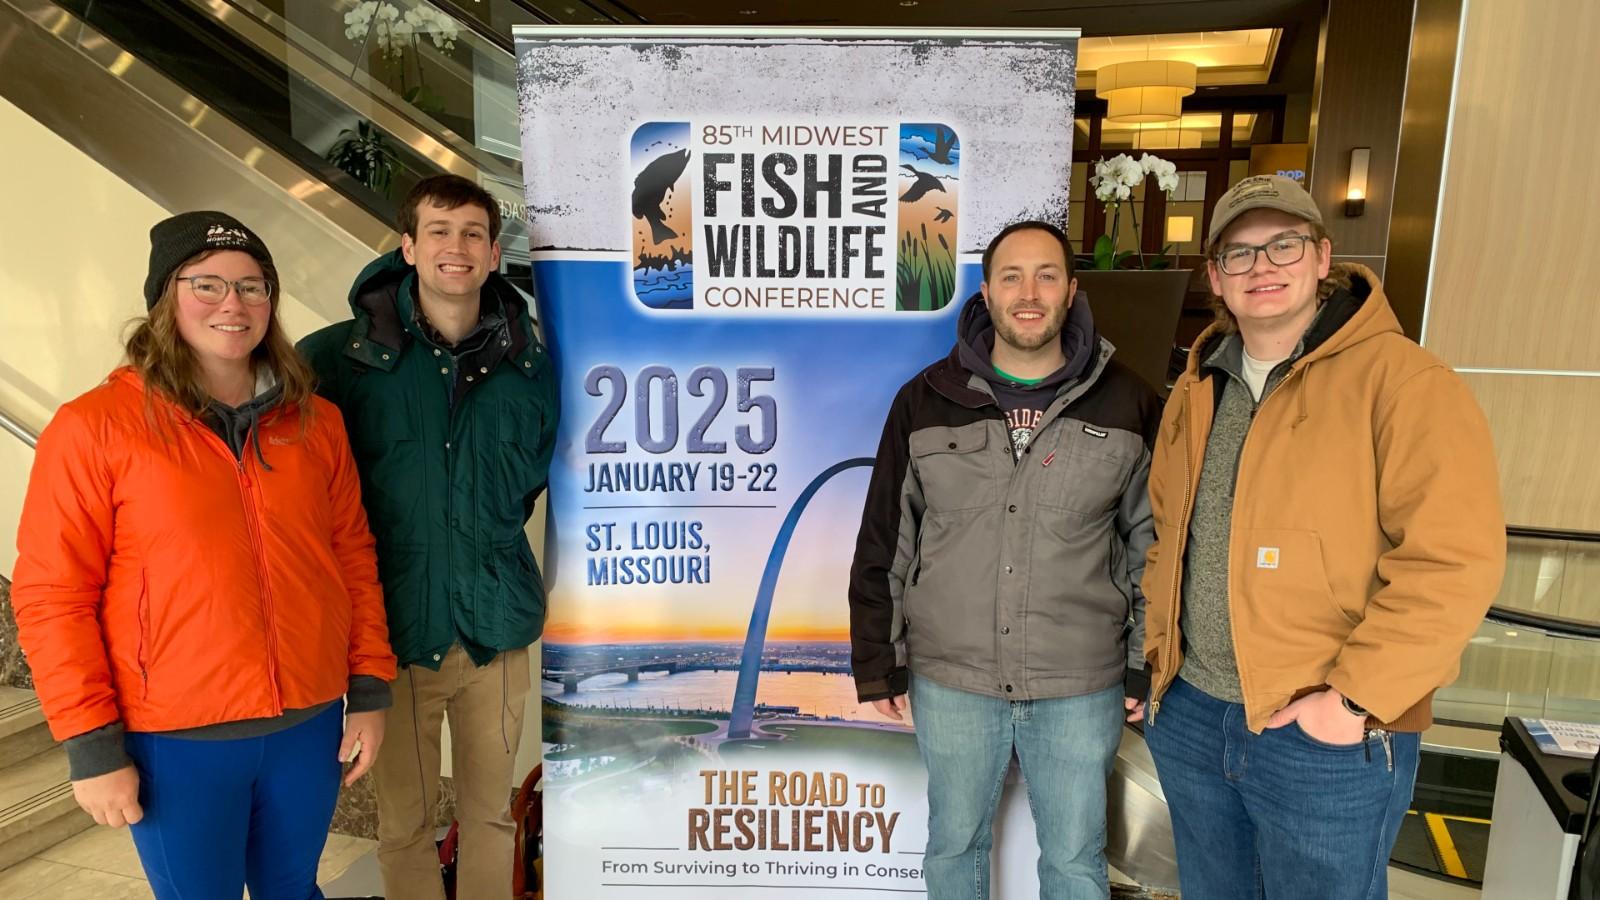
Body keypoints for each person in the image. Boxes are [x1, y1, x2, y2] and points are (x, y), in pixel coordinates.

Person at [1138, 175, 1507, 899]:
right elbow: (1164, 537)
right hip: (1193, 714)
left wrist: (1350, 702)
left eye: (1284, 244)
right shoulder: (1196, 387)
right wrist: (1159, 671)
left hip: (1324, 734)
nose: (1263, 266)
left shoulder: (1404, 382)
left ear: (1321, 258)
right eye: (1239, 254)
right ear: (1216, 276)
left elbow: (1454, 561)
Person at [11, 211, 397, 900]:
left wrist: (367, 687)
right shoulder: (94, 428)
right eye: (207, 284)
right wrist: (92, 744)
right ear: (166, 297)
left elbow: (351, 557)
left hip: (306, 726)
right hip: (176, 740)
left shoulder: (315, 422)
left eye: (253, 287)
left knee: (294, 891)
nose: (233, 304)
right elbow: (51, 596)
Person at [849, 221, 1161, 900]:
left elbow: (1153, 550)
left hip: (1080, 682)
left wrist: (1146, 663)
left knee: (1077, 860)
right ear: (986, 292)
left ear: (1071, 291)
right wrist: (878, 662)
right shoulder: (924, 400)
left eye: (1047, 275)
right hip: (951, 679)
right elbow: (885, 539)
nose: (1029, 292)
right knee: (954, 847)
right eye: (1012, 277)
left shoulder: (1131, 401)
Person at [298, 174, 559, 900]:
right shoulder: (337, 363)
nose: (457, 247)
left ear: (494, 252)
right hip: (393, 638)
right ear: (408, 246)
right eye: (439, 231)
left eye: (473, 233)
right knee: (405, 825)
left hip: (495, 634)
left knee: (490, 818)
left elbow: (529, 483)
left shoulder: (532, 368)